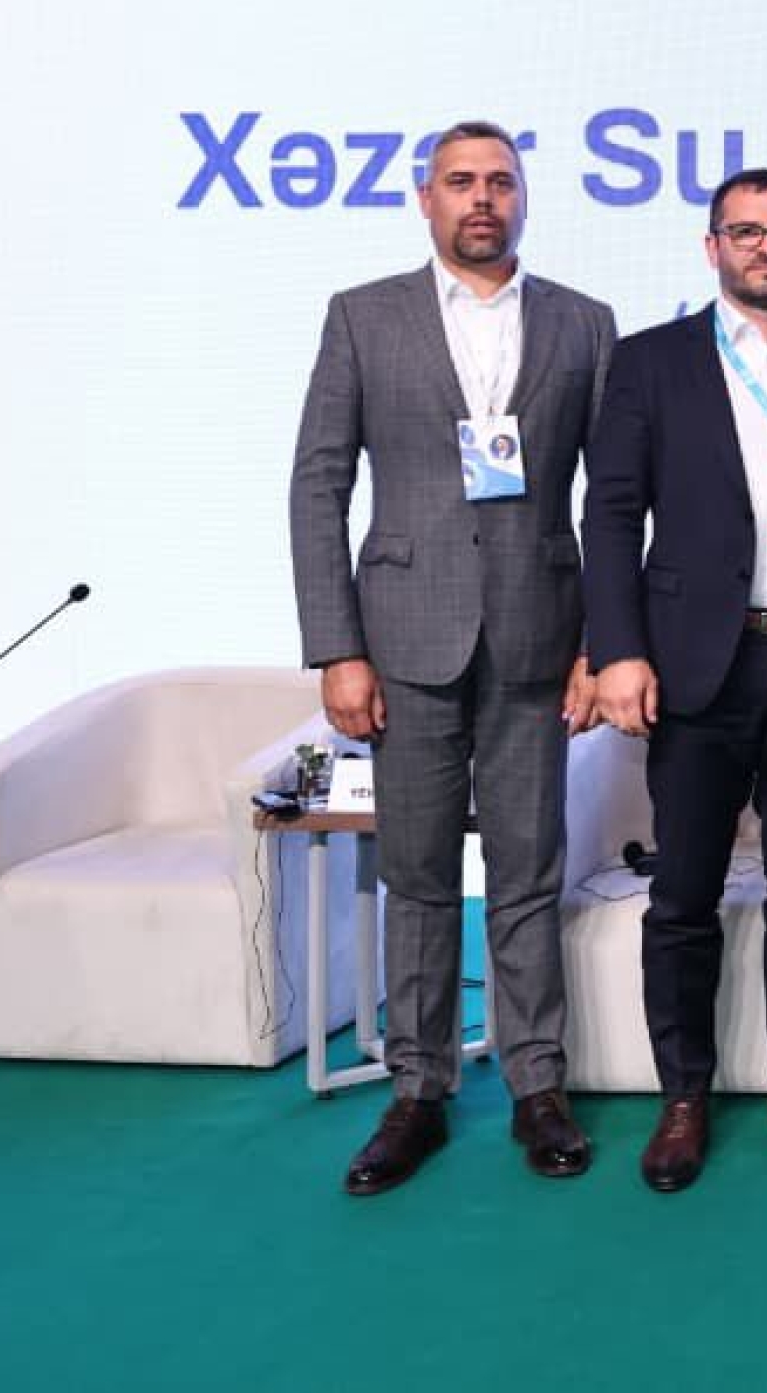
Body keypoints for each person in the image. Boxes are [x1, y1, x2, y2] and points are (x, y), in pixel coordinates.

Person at [290, 120, 617, 1195]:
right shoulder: (363, 315)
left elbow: (614, 501)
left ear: (524, 198)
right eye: (461, 181)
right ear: (424, 198)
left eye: (501, 182)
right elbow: (319, 483)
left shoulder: (584, 323)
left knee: (527, 873)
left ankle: (537, 1085)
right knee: (420, 876)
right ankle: (418, 1090)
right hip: (404, 641)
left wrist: (601, 645)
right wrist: (337, 646)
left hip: (537, 640)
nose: (483, 198)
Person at [581, 168, 767, 1193]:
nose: (766, 247)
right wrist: (617, 648)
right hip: (695, 664)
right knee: (684, 894)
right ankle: (684, 1095)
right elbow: (610, 516)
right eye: (746, 231)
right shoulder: (651, 361)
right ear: (711, 247)